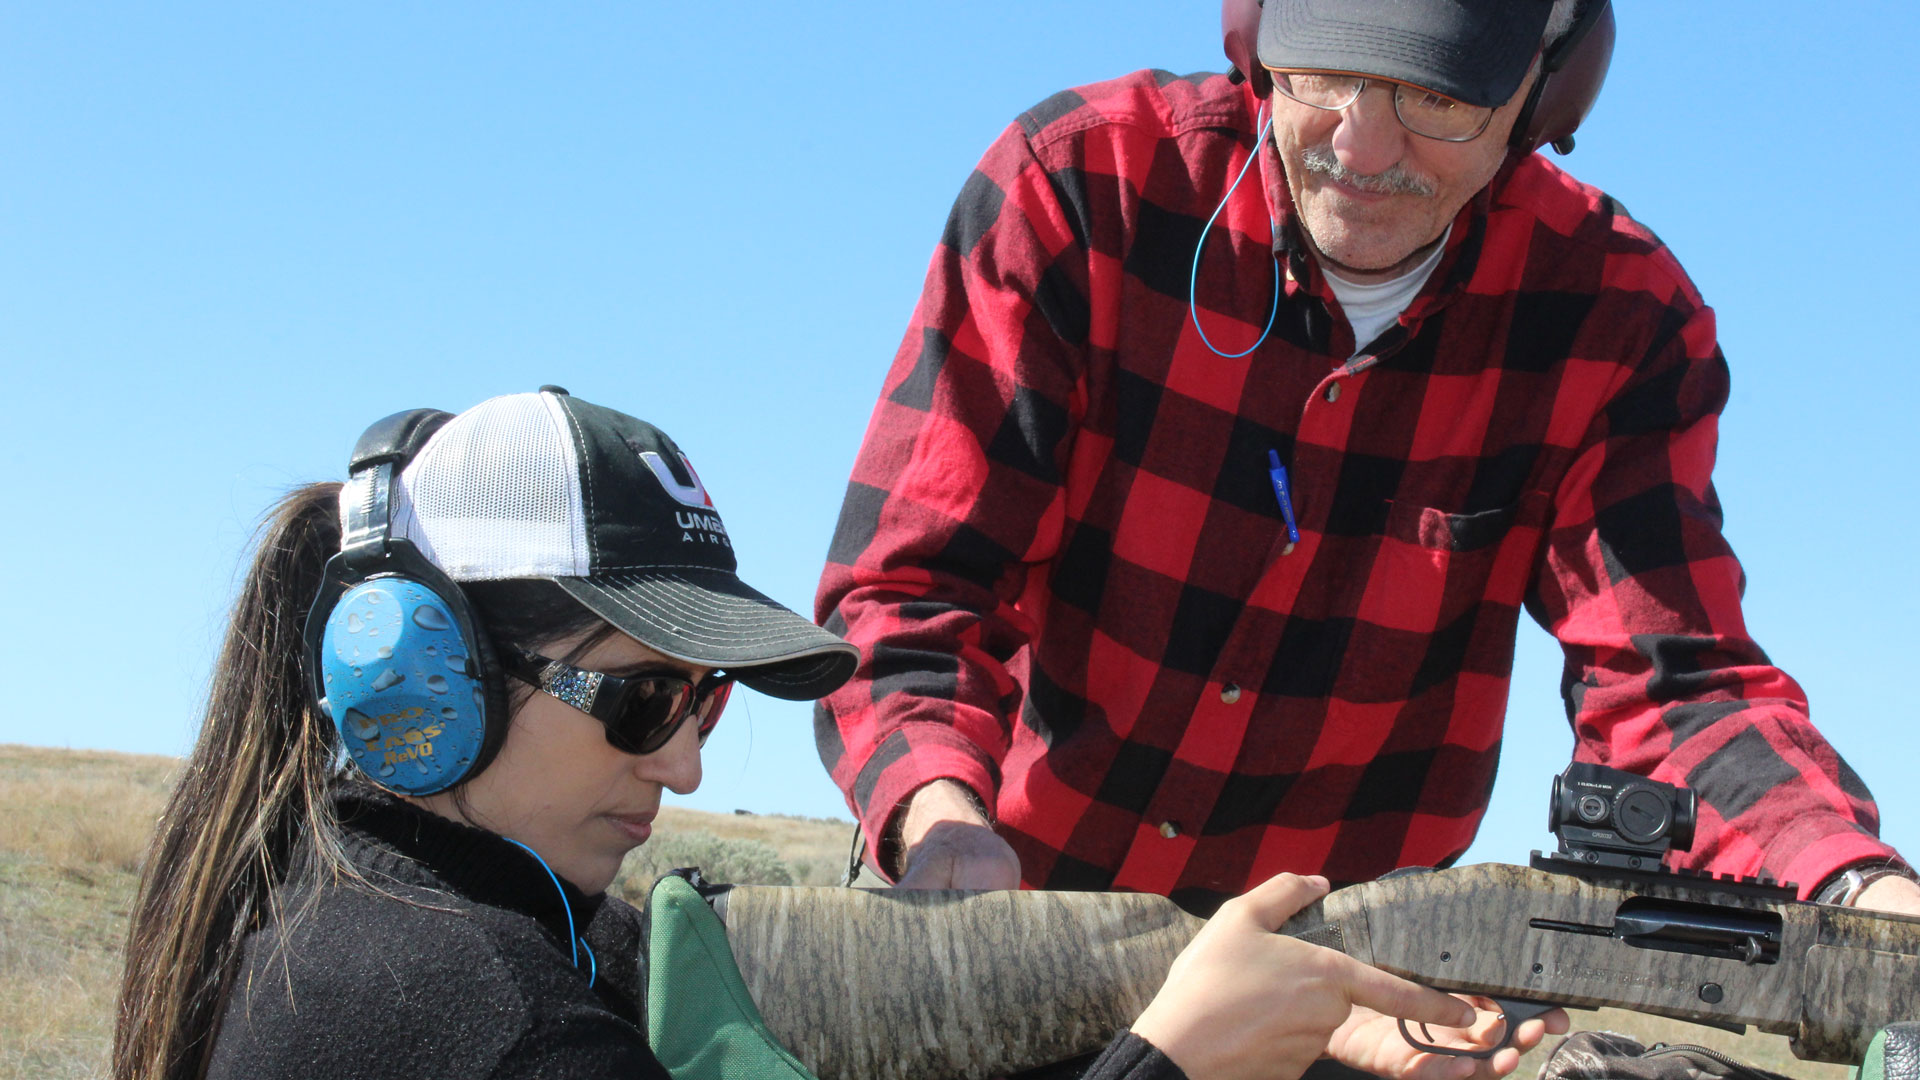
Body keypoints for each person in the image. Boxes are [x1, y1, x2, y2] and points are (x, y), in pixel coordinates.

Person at [813, 0, 1920, 919]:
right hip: (1011, 914)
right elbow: (913, 588)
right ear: (1256, 41)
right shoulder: (1081, 186)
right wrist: (938, 817)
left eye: (1435, 97)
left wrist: (1851, 881)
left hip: (1336, 974)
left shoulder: (1615, 319)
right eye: (1328, 72)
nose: (1362, 146)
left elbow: (1673, 686)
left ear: (1545, 96)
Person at [109, 388, 1556, 1080]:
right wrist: (1172, 1061)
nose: (681, 765)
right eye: (638, 699)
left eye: (704, 700)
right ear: (418, 666)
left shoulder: (369, 913)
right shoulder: (497, 1025)